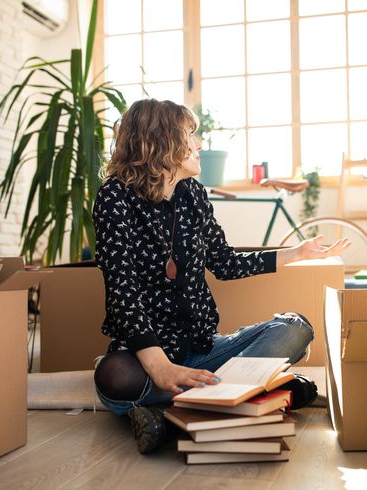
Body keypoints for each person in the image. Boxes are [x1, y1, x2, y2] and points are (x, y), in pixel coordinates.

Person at [92, 98, 350, 454]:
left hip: (202, 351)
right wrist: (161, 368)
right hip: (144, 358)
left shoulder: (193, 195)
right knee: (112, 378)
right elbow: (123, 293)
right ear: (162, 140)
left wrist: (296, 253)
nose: (199, 144)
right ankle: (246, 397)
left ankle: (170, 416)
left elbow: (225, 263)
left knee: (294, 328)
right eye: (191, 134)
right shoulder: (114, 197)